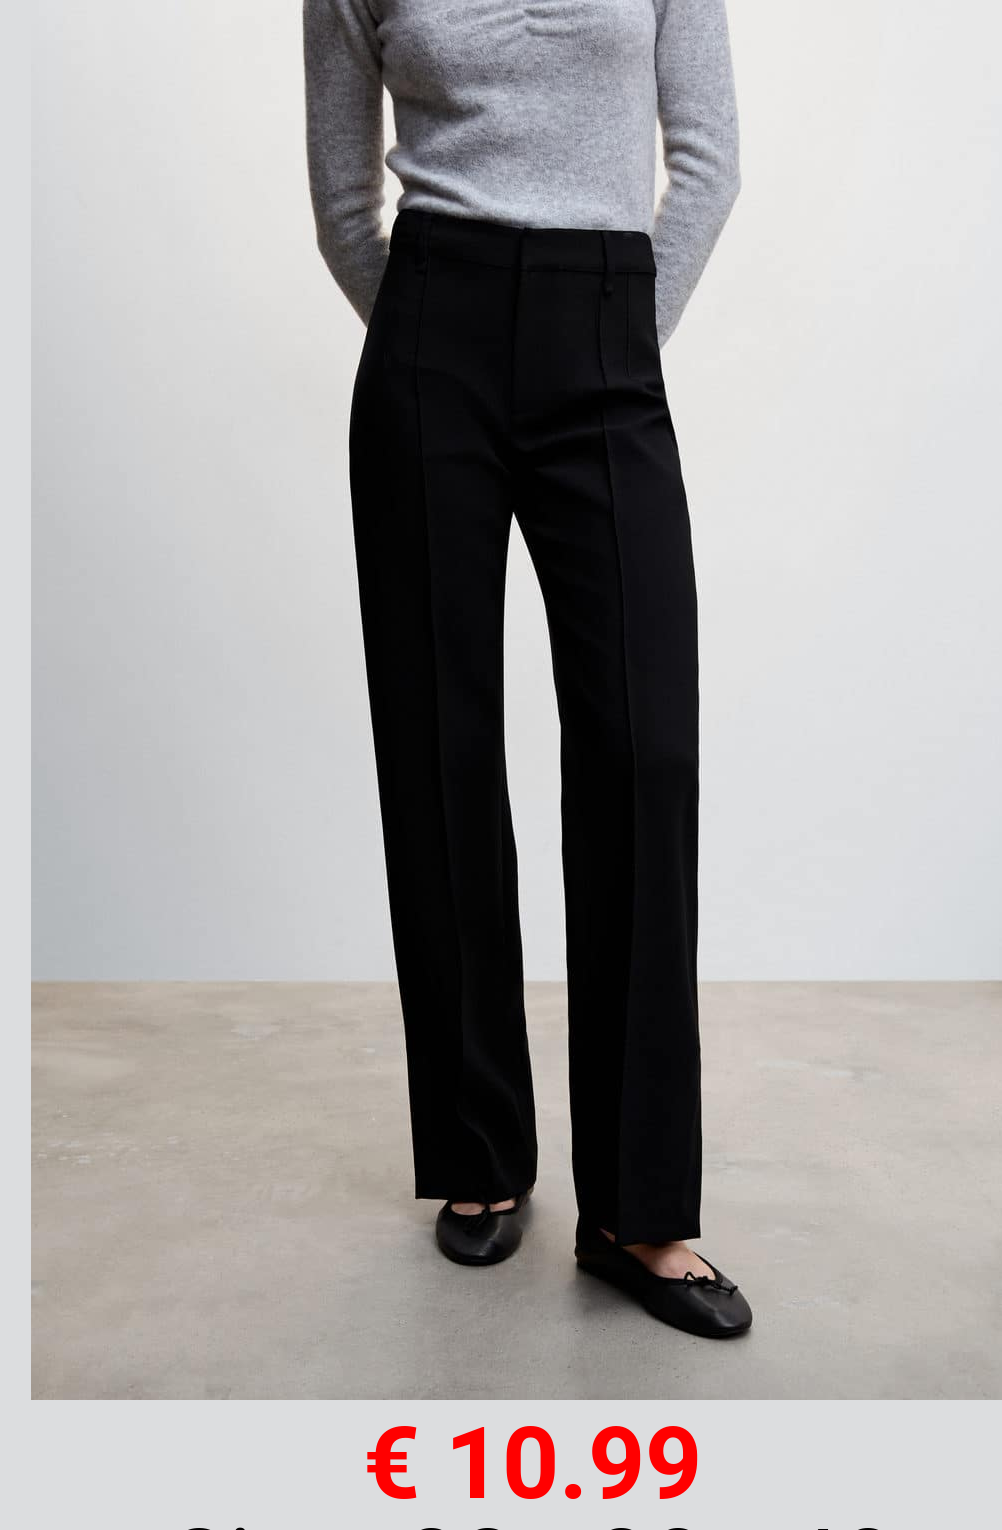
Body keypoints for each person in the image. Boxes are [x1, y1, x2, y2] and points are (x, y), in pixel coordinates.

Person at [303, 0, 751, 1339]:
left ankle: (638, 1205)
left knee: (642, 754)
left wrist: (615, 328)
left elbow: (708, 156)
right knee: (437, 749)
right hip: (428, 333)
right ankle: (478, 1150)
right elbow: (342, 202)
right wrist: (433, 332)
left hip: (605, 330)